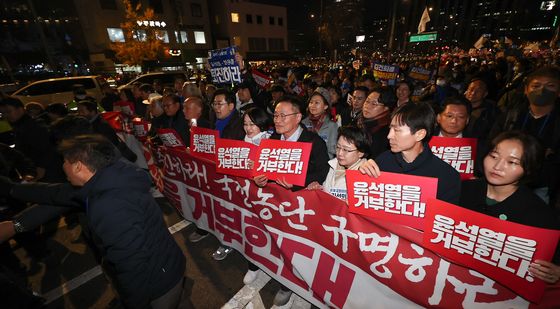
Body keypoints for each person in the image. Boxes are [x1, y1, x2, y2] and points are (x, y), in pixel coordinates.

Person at [0, 135, 186, 308]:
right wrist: (12, 190)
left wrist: (134, 304)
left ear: (78, 166)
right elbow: (56, 194)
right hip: (163, 268)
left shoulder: (110, 206)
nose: (62, 166)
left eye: (64, 161)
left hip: (159, 285)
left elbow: (132, 267)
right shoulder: (109, 177)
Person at [253, 95, 329, 306]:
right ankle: (281, 275)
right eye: (276, 115)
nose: (277, 120)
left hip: (300, 206)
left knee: (295, 248)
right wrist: (259, 179)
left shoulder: (314, 142)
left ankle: (291, 284)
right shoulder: (271, 142)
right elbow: (262, 171)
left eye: (283, 116)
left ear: (298, 117)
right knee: (277, 243)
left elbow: (321, 173)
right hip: (275, 204)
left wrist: (296, 184)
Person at [459, 131, 560, 284]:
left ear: (529, 168)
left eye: (512, 162)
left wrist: (556, 272)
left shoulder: (539, 215)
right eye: (493, 156)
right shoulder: (462, 190)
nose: (497, 166)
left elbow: (551, 263)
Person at [359, 102, 461, 204]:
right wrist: (363, 176)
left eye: (397, 130)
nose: (389, 135)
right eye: (390, 128)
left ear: (420, 134)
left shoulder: (446, 177)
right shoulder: (382, 162)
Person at [489, 66, 560, 205]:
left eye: (550, 86)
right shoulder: (511, 115)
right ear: (526, 90)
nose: (542, 90)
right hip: (505, 182)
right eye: (536, 85)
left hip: (542, 187)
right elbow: (492, 142)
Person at [241, 107, 272, 285]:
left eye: (252, 124)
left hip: (266, 198)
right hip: (246, 196)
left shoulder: (270, 142)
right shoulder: (241, 143)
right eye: (245, 124)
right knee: (250, 230)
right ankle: (253, 266)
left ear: (261, 123)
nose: (248, 128)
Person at [307, 126, 369, 202]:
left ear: (360, 153)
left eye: (346, 150)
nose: (340, 153)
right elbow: (330, 192)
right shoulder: (333, 165)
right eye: (338, 147)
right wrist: (318, 188)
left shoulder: (366, 176)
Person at [357, 88, 392, 158]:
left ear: (386, 108)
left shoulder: (387, 132)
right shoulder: (358, 121)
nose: (367, 106)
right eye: (367, 101)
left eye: (374, 104)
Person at [302, 91, 338, 159]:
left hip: (323, 163)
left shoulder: (332, 126)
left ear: (325, 106)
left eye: (317, 103)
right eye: (311, 102)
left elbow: (332, 151)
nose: (312, 105)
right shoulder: (303, 123)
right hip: (304, 161)